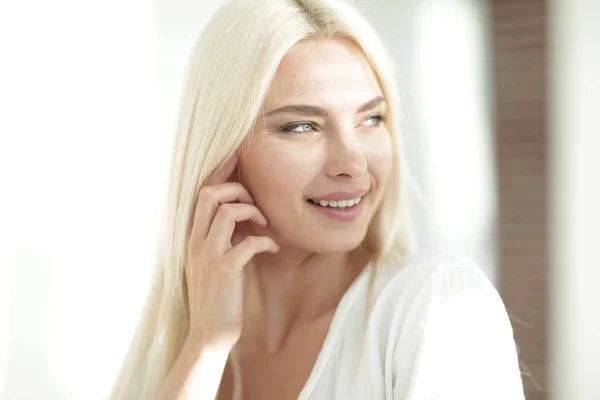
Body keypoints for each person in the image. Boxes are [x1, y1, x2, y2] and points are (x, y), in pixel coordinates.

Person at [109, 0, 525, 399]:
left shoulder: (434, 307)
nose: (353, 164)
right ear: (224, 152)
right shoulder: (169, 358)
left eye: (371, 118)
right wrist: (205, 346)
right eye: (302, 126)